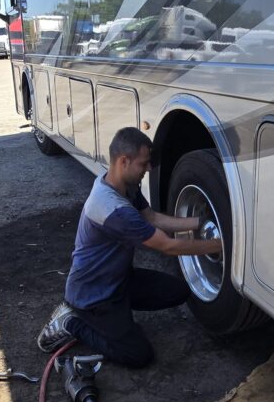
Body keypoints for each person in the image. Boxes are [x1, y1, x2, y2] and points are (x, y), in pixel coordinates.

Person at [37, 127, 222, 368]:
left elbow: (153, 218)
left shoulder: (123, 186)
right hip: (94, 295)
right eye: (144, 164)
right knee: (138, 355)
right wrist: (218, 245)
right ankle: (72, 322)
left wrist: (201, 222)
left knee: (178, 291)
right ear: (124, 161)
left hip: (119, 280)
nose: (149, 169)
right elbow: (167, 246)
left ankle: (116, 321)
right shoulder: (114, 210)